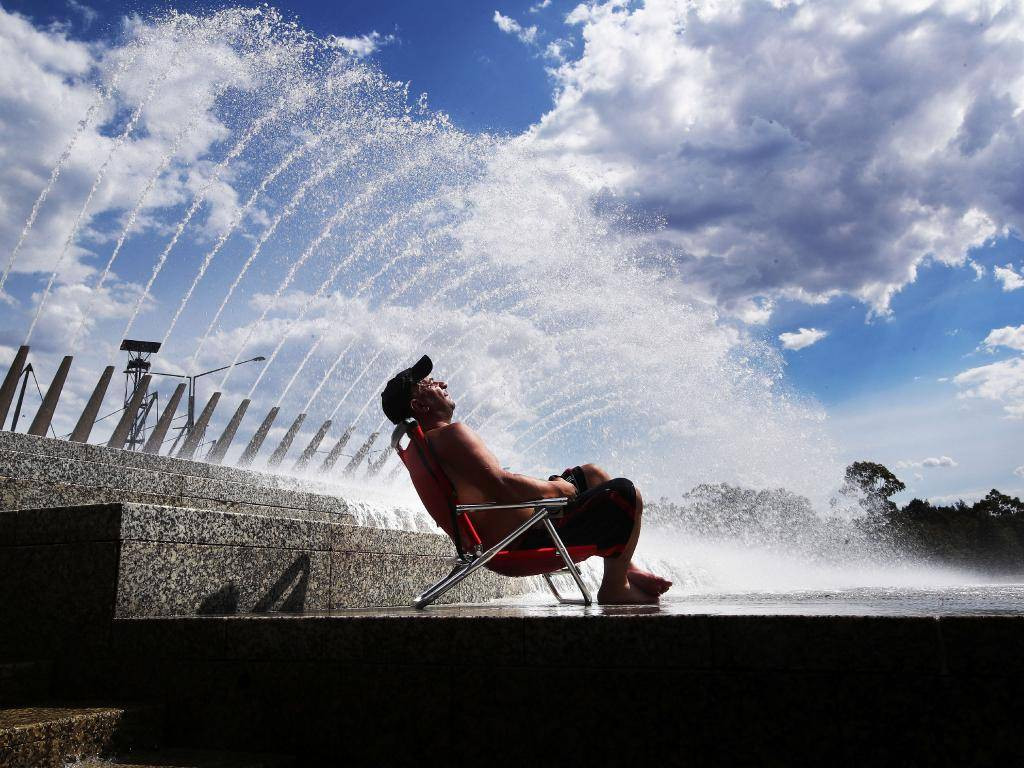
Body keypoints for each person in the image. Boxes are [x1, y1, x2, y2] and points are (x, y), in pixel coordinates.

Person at [381, 355, 671, 604]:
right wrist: (557, 488)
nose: (443, 384)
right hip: (528, 538)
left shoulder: (423, 447)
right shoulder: (450, 435)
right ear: (420, 406)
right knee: (626, 493)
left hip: (519, 531)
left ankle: (625, 567)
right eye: (432, 384)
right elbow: (502, 486)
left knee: (591, 474)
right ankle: (614, 588)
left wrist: (554, 488)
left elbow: (492, 487)